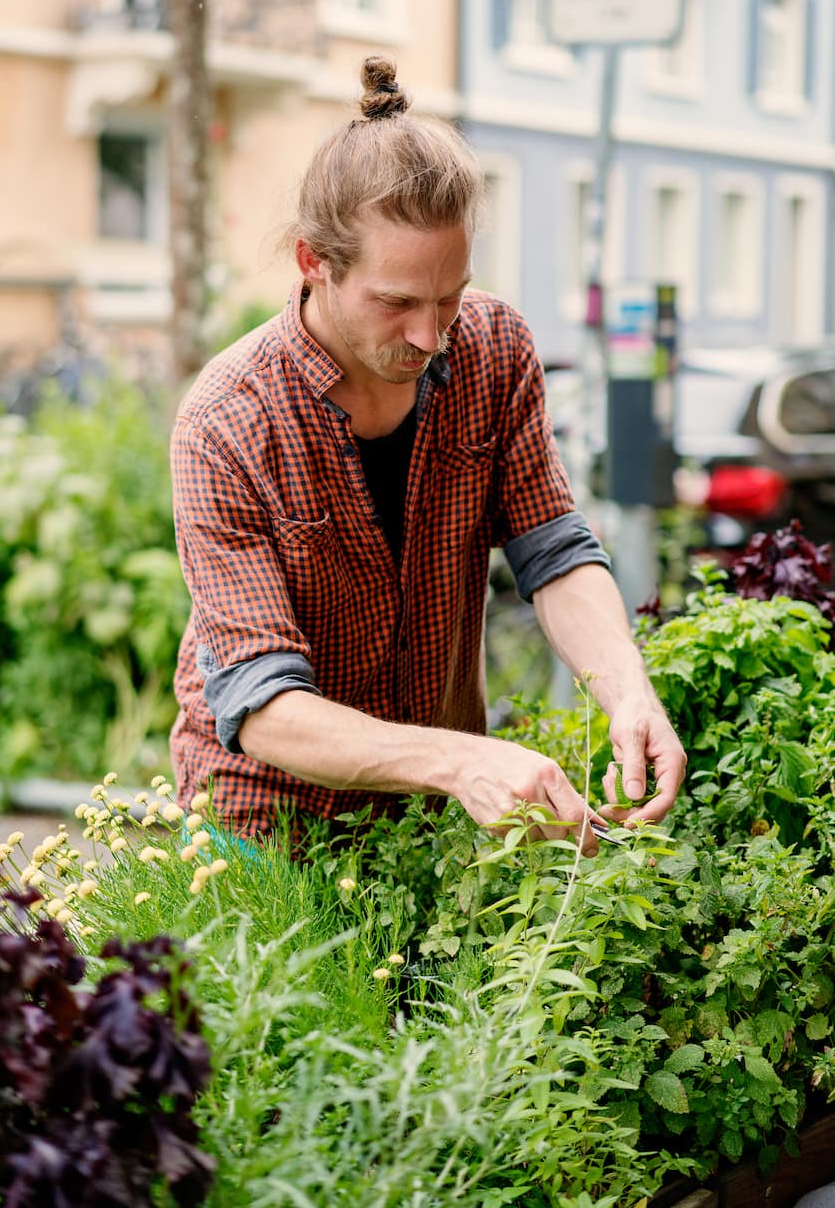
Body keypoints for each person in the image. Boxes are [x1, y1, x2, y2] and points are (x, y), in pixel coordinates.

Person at [169, 56, 686, 853]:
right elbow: (260, 702)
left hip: (435, 821)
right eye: (397, 302)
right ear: (315, 263)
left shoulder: (496, 348)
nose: (430, 334)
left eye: (448, 296)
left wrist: (627, 690)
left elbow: (553, 551)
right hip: (266, 828)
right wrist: (459, 760)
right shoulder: (226, 421)